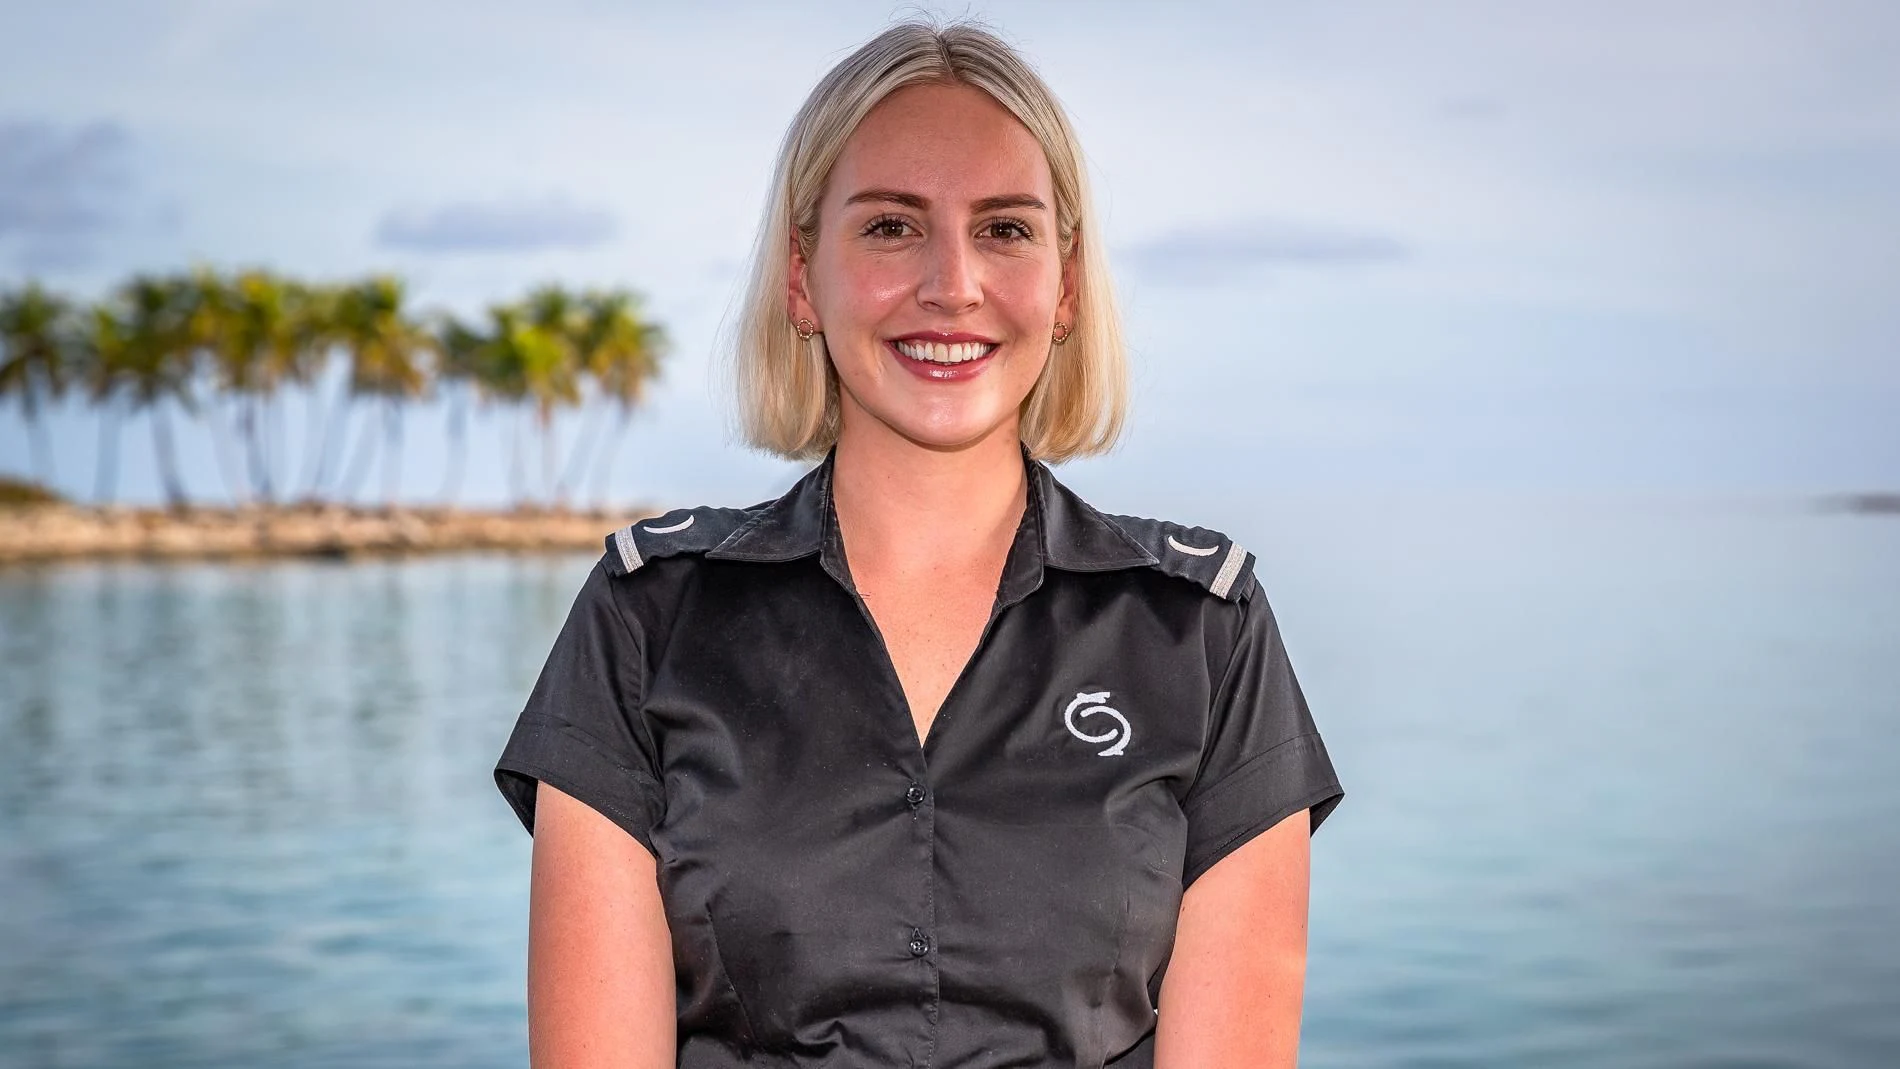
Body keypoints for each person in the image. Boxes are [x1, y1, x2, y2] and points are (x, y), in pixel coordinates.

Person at [493, 17, 1344, 1068]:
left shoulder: (1204, 633)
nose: (952, 283)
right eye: (893, 226)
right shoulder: (643, 619)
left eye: (1005, 228)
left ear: (1065, 286)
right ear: (804, 277)